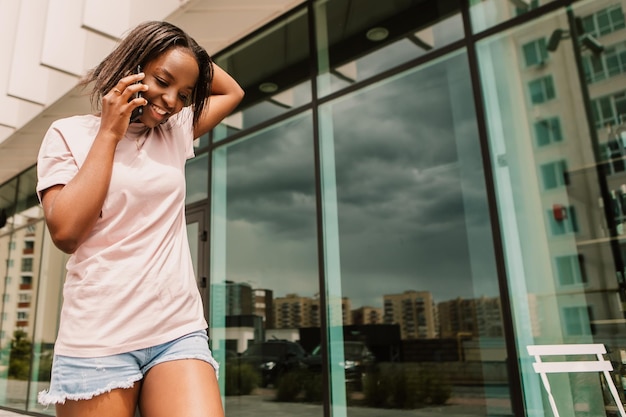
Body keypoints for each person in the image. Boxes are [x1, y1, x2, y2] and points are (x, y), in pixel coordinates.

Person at [35, 21, 244, 417]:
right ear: (131, 66)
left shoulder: (175, 132)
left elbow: (232, 90)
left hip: (176, 330)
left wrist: (188, 54)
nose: (171, 102)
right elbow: (66, 232)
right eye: (163, 81)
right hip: (100, 336)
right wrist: (110, 133)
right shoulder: (67, 135)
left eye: (184, 94)